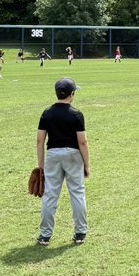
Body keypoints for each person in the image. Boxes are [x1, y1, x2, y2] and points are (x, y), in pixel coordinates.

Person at [36, 77, 90, 246]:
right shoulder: (76, 114)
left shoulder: (47, 113)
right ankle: (80, 233)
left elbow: (40, 141)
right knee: (77, 193)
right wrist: (87, 164)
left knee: (50, 195)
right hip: (73, 155)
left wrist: (41, 166)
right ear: (72, 94)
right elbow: (82, 142)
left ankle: (45, 235)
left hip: (53, 154)